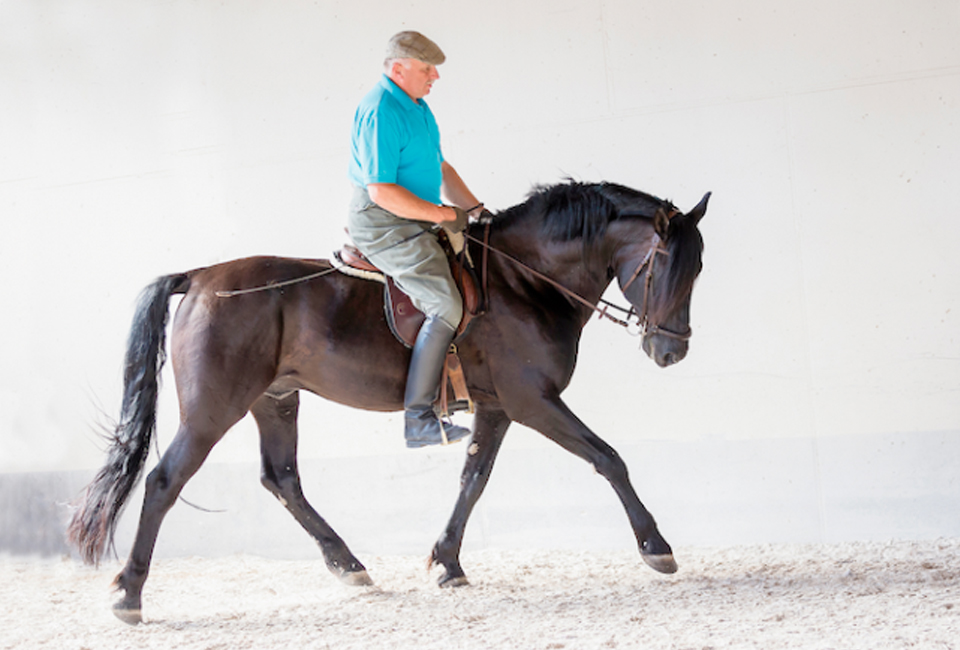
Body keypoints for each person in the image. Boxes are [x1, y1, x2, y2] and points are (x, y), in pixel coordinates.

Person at [347, 31, 485, 448]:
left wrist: (477, 211)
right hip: (384, 223)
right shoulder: (381, 110)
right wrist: (444, 215)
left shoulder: (419, 108)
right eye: (427, 68)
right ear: (398, 68)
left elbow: (440, 168)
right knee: (445, 303)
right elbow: (381, 191)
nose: (435, 76)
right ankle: (419, 418)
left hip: (415, 216)